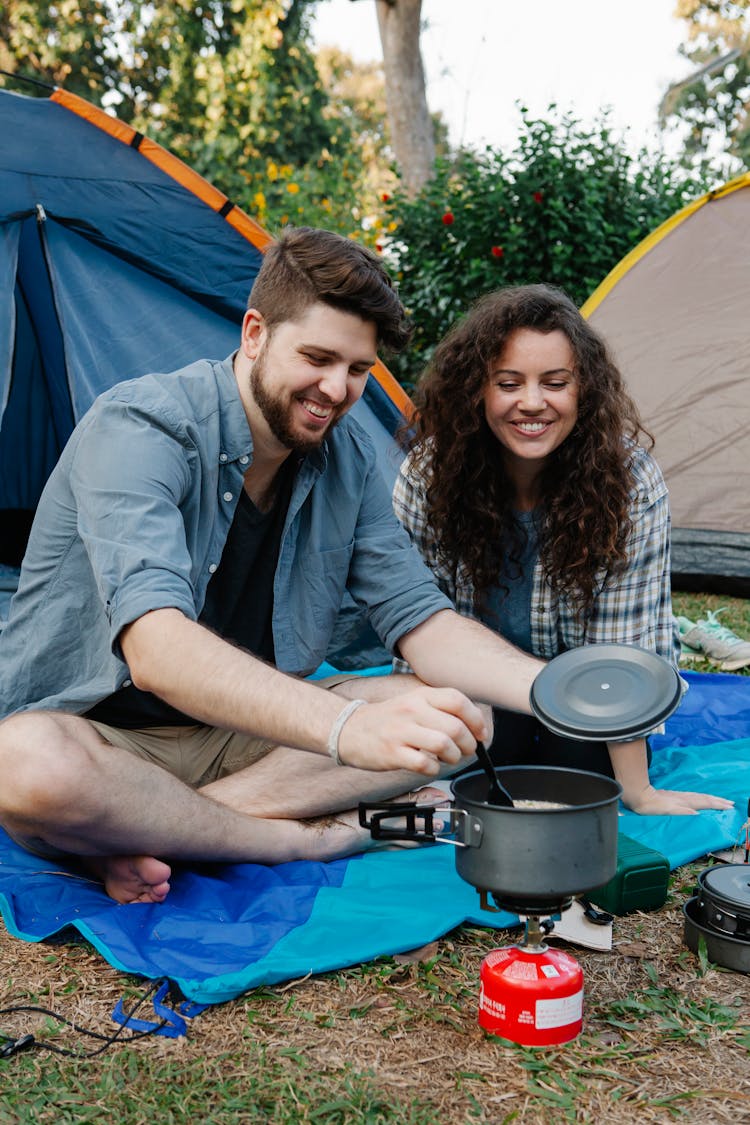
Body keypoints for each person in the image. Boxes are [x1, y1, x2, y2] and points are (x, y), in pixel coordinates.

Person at [0, 228, 545, 907]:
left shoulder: (342, 458)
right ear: (255, 332)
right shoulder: (142, 426)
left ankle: (164, 830)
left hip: (242, 739)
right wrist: (347, 729)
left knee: (463, 715)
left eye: (357, 370)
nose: (337, 389)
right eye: (317, 357)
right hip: (102, 735)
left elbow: (419, 619)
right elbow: (157, 650)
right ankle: (295, 838)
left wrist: (558, 688)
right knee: (21, 764)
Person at [392, 284, 732, 818]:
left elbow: (627, 650)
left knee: (579, 770)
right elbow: (414, 626)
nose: (532, 402)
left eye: (555, 383)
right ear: (477, 391)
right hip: (475, 697)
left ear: (584, 391)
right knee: (470, 757)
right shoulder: (428, 477)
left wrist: (639, 793)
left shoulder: (631, 484)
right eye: (509, 383)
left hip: (590, 700)